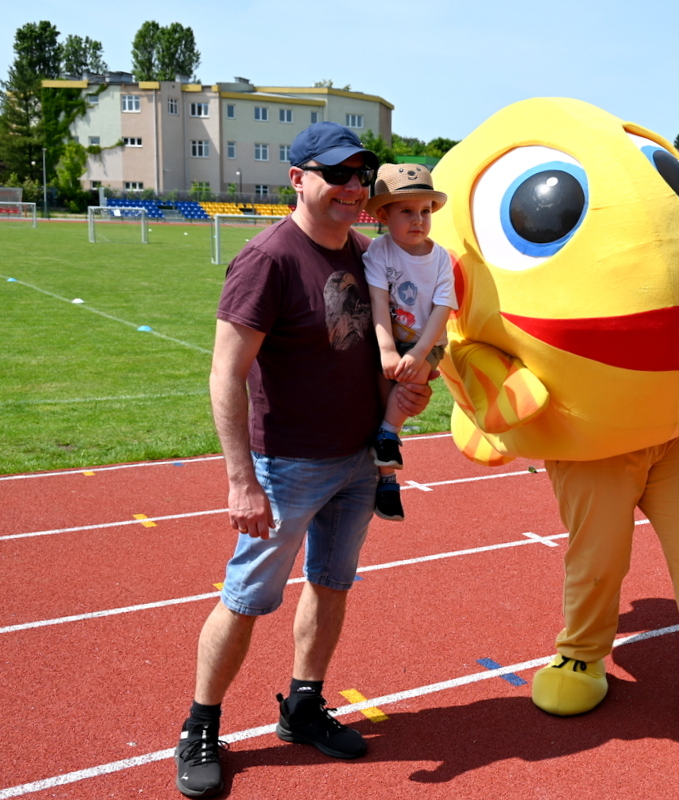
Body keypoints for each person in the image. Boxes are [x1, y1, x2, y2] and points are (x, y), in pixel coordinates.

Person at [174, 122, 431, 799]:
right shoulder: (268, 259)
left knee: (331, 584)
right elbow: (225, 375)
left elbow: (374, 343)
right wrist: (240, 481)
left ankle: (304, 704)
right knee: (247, 598)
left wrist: (401, 400)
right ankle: (200, 726)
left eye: (361, 175)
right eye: (336, 174)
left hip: (356, 460)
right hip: (285, 466)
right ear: (297, 178)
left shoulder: (368, 254)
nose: (352, 187)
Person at [362, 164, 457, 522]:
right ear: (383, 215)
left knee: (412, 381)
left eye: (425, 212)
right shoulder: (379, 252)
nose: (418, 220)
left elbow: (442, 309)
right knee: (383, 392)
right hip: (391, 339)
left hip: (427, 342)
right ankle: (387, 482)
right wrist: (386, 349)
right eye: (407, 211)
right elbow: (378, 301)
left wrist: (418, 354)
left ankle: (389, 434)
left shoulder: (441, 258)